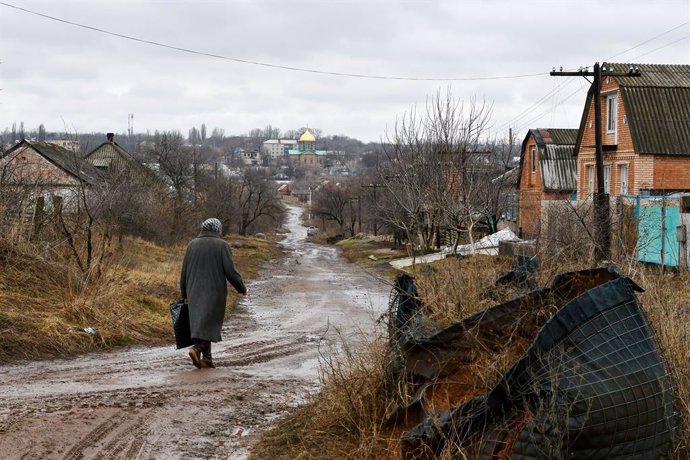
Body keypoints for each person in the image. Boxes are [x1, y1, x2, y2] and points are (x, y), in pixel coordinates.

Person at [180, 218, 247, 369]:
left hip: (193, 290)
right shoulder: (222, 245)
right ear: (218, 230)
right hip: (214, 292)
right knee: (210, 322)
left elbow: (183, 272)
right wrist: (241, 288)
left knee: (202, 323)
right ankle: (197, 349)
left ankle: (207, 359)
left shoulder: (191, 244)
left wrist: (184, 293)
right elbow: (230, 271)